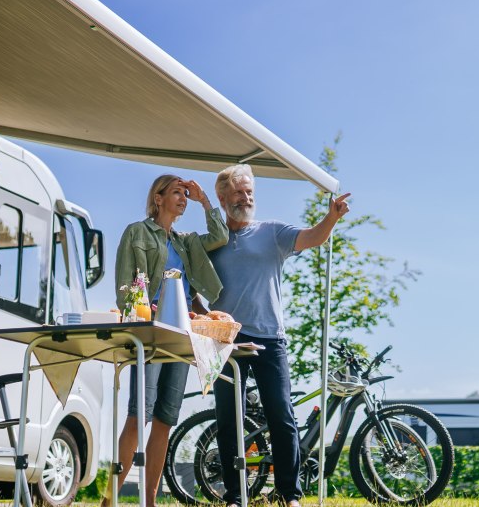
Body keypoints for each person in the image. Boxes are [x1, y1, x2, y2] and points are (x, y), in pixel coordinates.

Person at [208, 164, 350, 507]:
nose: (246, 197)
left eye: (250, 192)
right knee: (229, 420)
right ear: (223, 197)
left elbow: (313, 237)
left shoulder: (272, 232)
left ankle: (290, 495)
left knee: (281, 415)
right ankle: (234, 496)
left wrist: (331, 218)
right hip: (224, 341)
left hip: (270, 338)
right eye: (239, 192)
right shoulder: (212, 241)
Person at [107, 174, 227, 507]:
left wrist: (205, 201)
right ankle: (110, 499)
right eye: (177, 192)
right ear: (158, 199)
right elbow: (125, 286)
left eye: (185, 195)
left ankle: (149, 502)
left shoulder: (186, 241)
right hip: (150, 332)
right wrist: (147, 307)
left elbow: (220, 236)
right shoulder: (137, 232)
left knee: (165, 420)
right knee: (138, 415)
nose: (182, 199)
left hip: (183, 334)